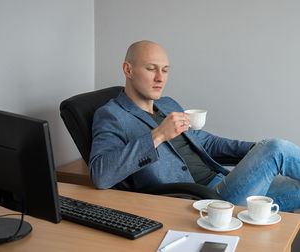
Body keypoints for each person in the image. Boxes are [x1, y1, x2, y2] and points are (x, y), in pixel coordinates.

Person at [89, 40, 300, 212]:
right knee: (276, 148)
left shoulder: (167, 104)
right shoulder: (111, 115)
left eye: (165, 70)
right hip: (202, 201)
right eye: (151, 69)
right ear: (128, 69)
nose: (160, 78)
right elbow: (100, 175)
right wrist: (158, 135)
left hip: (225, 183)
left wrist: (256, 151)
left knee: (269, 150)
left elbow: (204, 142)